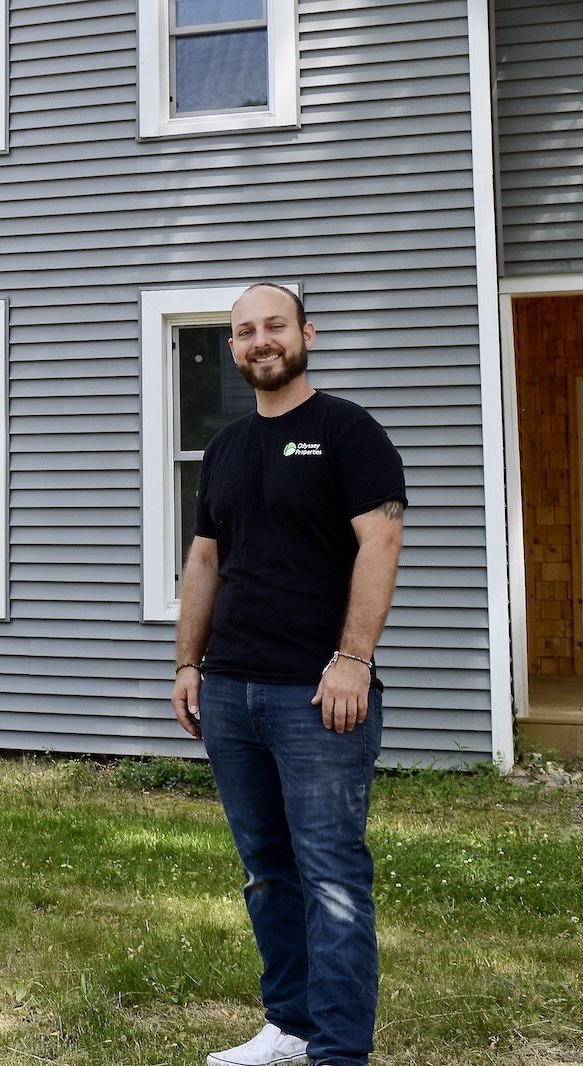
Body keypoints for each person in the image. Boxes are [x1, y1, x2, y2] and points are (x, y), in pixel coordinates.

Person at [171, 283, 406, 1066]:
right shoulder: (227, 446)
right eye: (243, 332)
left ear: (306, 333)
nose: (259, 341)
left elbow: (381, 544)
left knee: (331, 875)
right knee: (267, 872)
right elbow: (204, 559)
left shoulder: (347, 430)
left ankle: (338, 1053)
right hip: (231, 691)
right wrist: (186, 663)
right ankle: (289, 1028)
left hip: (317, 693)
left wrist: (353, 660)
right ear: (232, 349)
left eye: (273, 326)